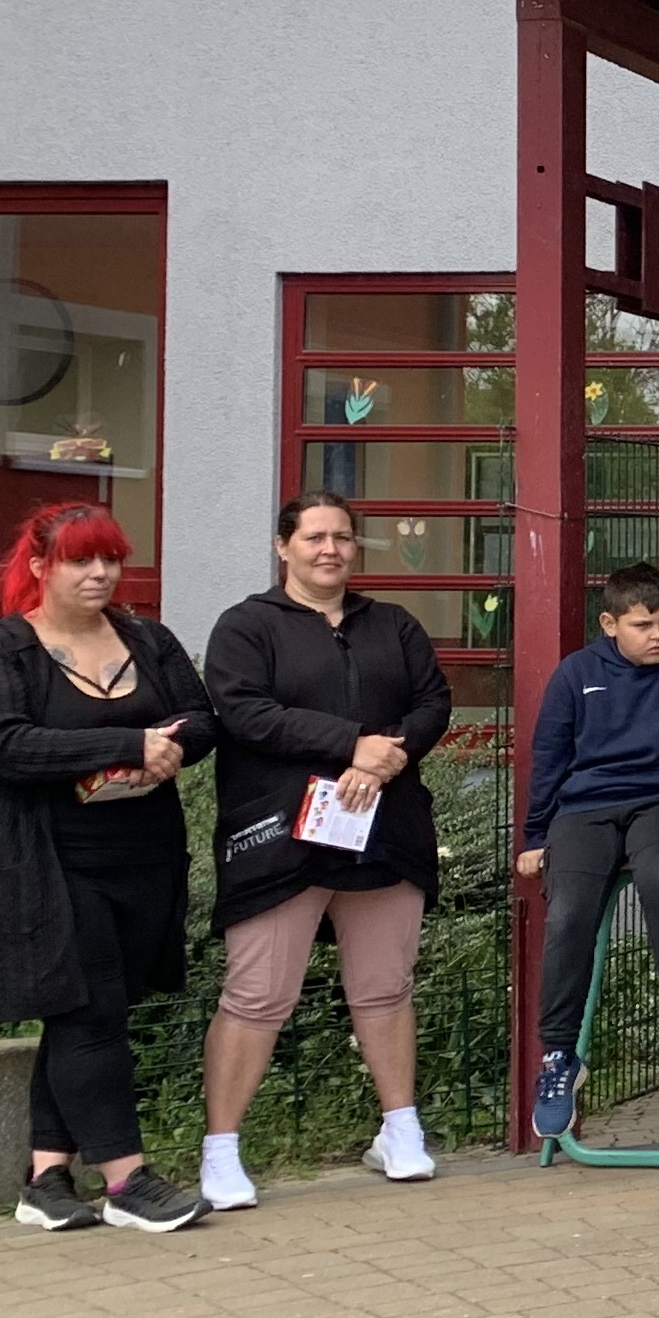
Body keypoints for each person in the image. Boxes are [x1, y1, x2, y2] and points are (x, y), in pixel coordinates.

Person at [0, 502, 216, 1234]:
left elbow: (201, 720)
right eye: (80, 559)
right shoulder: (1, 649)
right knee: (91, 1012)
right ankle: (127, 1181)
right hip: (43, 866)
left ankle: (45, 1178)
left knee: (84, 1015)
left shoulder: (148, 639)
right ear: (40, 567)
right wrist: (127, 746)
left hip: (143, 858)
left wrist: (170, 748)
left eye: (110, 558)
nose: (100, 573)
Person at [199, 491, 455, 1207]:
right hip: (281, 837)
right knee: (258, 994)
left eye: (342, 537)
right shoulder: (246, 626)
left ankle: (400, 1129)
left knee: (385, 987)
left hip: (385, 828)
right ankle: (221, 1151)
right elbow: (246, 712)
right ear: (283, 546)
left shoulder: (393, 624)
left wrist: (381, 758)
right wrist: (349, 743)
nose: (330, 549)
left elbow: (433, 703)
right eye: (314, 537)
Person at [519, 561, 659, 1134]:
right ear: (610, 624)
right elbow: (549, 759)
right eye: (643, 625)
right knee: (569, 912)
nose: (658, 636)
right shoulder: (575, 674)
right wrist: (536, 836)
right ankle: (559, 1058)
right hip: (585, 807)